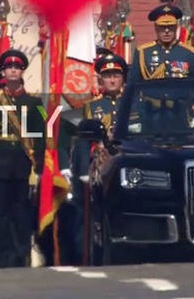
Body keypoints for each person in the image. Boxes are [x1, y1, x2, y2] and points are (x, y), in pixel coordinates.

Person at [56, 50, 127, 265]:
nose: (112, 80)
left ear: (123, 78)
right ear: (101, 79)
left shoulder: (133, 104)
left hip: (125, 164)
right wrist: (80, 170)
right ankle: (86, 258)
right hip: (98, 167)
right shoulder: (91, 107)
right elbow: (82, 140)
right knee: (87, 215)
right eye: (107, 76)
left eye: (116, 75)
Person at [0, 49, 46, 267]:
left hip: (22, 164)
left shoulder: (34, 103)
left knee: (20, 212)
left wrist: (39, 167)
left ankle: (21, 255)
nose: (13, 71)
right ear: (4, 71)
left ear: (22, 70)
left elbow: (41, 136)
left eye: (17, 67)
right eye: (9, 67)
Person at [129, 3, 194, 130]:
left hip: (179, 116)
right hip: (150, 117)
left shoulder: (189, 54)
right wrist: (133, 117)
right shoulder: (143, 53)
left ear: (176, 27)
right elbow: (132, 87)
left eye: (170, 27)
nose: (166, 31)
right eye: (162, 27)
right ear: (156, 28)